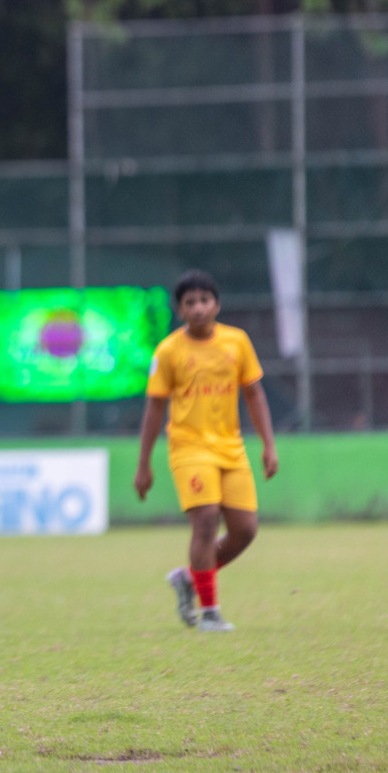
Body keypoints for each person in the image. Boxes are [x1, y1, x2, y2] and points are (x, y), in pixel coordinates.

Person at [135, 270, 279, 632]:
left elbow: (254, 393)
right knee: (206, 521)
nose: (198, 308)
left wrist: (268, 445)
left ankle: (187, 577)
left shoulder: (237, 342)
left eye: (204, 300)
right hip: (189, 448)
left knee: (245, 530)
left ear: (217, 304)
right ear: (179, 310)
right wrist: (144, 465)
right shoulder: (168, 351)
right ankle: (210, 612)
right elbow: (154, 408)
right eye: (190, 303)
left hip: (230, 447)